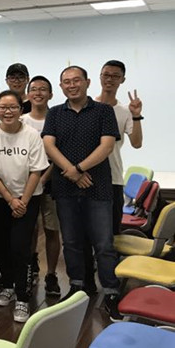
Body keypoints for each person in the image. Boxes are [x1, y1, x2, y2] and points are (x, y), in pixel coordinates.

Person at [42, 66, 122, 319]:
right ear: (61, 86)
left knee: (104, 243)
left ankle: (111, 291)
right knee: (72, 242)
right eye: (66, 82)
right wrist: (72, 172)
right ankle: (77, 286)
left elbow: (107, 146)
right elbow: (49, 145)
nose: (72, 85)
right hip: (65, 187)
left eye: (76, 80)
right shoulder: (55, 113)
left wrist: (79, 169)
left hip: (98, 186)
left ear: (87, 82)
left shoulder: (103, 111)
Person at [0, 90, 49, 323]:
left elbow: (36, 170)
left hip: (28, 198)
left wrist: (23, 201)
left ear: (21, 110)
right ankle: (7, 285)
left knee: (21, 247)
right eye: (2, 107)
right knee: (1, 245)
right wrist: (10, 199)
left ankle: (22, 296)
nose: (7, 111)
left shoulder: (32, 135)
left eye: (12, 107)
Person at [22, 75, 62, 297]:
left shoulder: (56, 118)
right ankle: (29, 268)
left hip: (51, 183)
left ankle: (52, 274)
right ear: (28, 94)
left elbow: (59, 154)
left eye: (43, 89)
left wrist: (43, 178)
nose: (38, 93)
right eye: (34, 89)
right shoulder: (21, 120)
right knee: (29, 230)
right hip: (25, 184)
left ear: (51, 94)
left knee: (52, 229)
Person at [95, 60, 143, 234]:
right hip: (86, 177)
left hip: (113, 178)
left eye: (115, 76)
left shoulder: (125, 111)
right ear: (100, 77)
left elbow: (136, 143)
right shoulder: (87, 106)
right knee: (85, 233)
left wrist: (136, 116)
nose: (110, 79)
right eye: (106, 75)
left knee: (112, 232)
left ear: (122, 80)